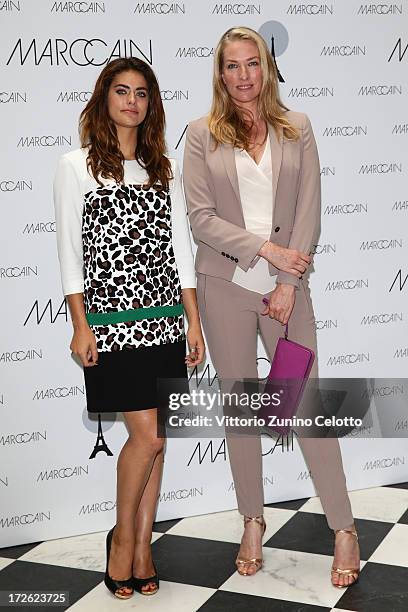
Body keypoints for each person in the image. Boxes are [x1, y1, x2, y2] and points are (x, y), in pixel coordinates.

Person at [183, 26, 360, 588]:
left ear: (266, 67)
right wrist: (264, 250)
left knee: (303, 404)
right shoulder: (198, 135)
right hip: (225, 288)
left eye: (251, 64)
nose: (242, 76)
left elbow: (310, 208)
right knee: (240, 411)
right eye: (231, 66)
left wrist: (286, 278)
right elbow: (200, 218)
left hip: (287, 292)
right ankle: (252, 521)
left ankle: (345, 528)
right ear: (220, 73)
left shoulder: (297, 128)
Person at [54, 57, 205, 599]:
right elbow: (71, 256)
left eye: (142, 94)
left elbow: (180, 251)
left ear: (150, 105)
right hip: (113, 326)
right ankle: (122, 541)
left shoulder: (162, 166)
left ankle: (143, 545)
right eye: (122, 91)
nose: (131, 102)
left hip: (165, 319)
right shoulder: (76, 166)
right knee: (150, 436)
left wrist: (192, 320)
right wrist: (79, 325)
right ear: (105, 98)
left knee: (159, 443)